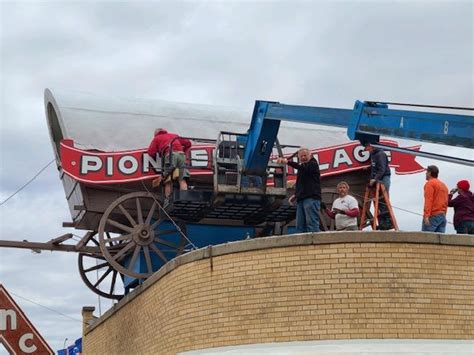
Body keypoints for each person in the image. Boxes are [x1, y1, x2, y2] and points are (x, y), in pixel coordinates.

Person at [277, 148, 321, 233]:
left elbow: (302, 167)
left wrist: (287, 162)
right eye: (301, 156)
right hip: (302, 198)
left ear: (310, 155)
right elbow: (302, 183)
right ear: (299, 157)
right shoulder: (303, 167)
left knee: (311, 223)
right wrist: (295, 195)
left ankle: (316, 244)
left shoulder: (313, 164)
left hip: (311, 198)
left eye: (305, 155)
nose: (303, 157)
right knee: (300, 225)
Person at [147, 128, 192, 202]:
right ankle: (184, 198)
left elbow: (151, 152)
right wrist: (184, 150)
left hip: (170, 155)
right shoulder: (174, 135)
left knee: (168, 180)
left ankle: (167, 201)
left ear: (156, 134)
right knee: (182, 178)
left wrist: (158, 153)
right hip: (181, 155)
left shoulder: (157, 138)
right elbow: (188, 143)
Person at [364, 142, 393, 230]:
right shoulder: (373, 155)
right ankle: (382, 224)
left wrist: (375, 179)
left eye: (367, 147)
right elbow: (375, 166)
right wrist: (368, 168)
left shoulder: (380, 154)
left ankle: (388, 223)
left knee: (383, 200)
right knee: (379, 203)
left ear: (371, 146)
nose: (366, 150)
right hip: (379, 178)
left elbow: (382, 169)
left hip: (384, 178)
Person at [422, 165, 449, 233]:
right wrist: (444, 215)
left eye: (426, 172)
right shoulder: (444, 185)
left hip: (433, 216)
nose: (425, 174)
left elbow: (429, 200)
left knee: (426, 240)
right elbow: (446, 202)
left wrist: (426, 216)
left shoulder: (430, 184)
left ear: (430, 173)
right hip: (442, 217)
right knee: (439, 242)